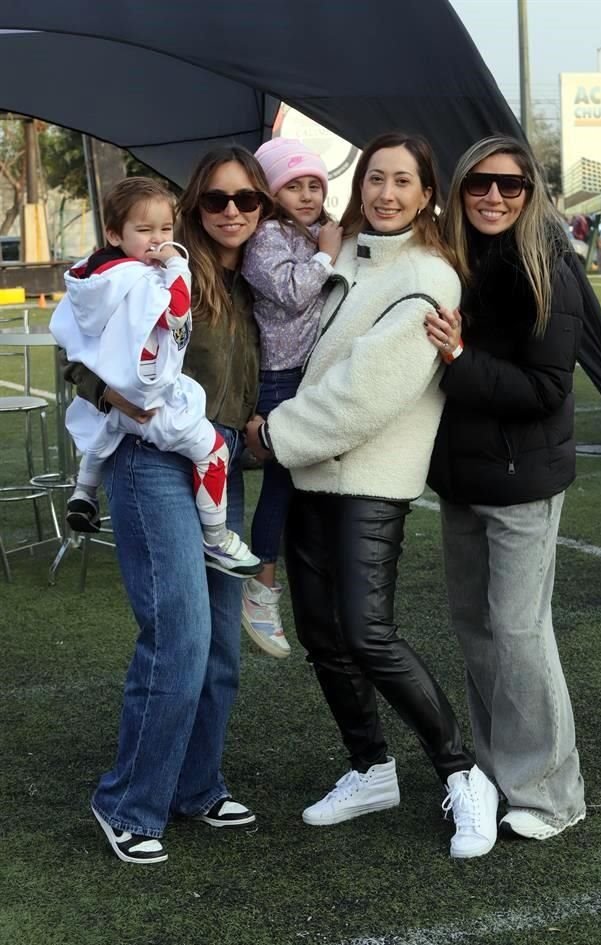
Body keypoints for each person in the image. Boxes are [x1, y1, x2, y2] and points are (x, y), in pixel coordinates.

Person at [245, 133, 499, 859]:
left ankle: (461, 770)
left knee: (368, 634)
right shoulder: (348, 254)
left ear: (426, 196)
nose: (386, 193)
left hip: (364, 481)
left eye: (402, 182)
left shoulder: (428, 275)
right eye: (375, 179)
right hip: (310, 475)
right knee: (323, 636)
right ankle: (370, 767)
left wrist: (275, 436)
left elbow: (366, 393)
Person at [63, 146, 274, 864]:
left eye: (248, 200)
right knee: (180, 633)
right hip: (152, 454)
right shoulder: (150, 266)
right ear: (194, 207)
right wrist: (114, 397)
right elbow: (78, 352)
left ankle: (194, 783)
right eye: (217, 200)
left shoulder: (257, 278)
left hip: (220, 463)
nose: (233, 212)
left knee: (218, 645)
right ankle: (127, 800)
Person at [425, 134, 586, 842]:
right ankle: (492, 774)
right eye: (478, 184)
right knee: (477, 632)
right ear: (459, 190)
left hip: (524, 480)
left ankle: (554, 793)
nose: (493, 196)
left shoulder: (550, 267)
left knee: (519, 633)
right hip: (460, 479)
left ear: (531, 194)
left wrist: (459, 359)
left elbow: (545, 389)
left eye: (510, 185)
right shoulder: (447, 263)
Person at [52, 177, 260, 578]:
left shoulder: (88, 275)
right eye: (144, 230)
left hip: (123, 399)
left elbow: (71, 335)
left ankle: (83, 493)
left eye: (165, 230)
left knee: (105, 429)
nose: (156, 240)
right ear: (115, 234)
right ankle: (216, 539)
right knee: (212, 451)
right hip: (151, 402)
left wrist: (106, 392)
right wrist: (177, 266)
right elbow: (175, 313)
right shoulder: (143, 277)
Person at [240, 138, 343, 658]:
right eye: (293, 185)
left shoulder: (308, 232)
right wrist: (327, 252)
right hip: (279, 380)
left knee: (306, 487)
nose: (306, 195)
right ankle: (260, 586)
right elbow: (293, 291)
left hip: (309, 376)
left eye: (314, 185)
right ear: (271, 191)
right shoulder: (266, 237)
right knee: (279, 488)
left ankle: (308, 583)